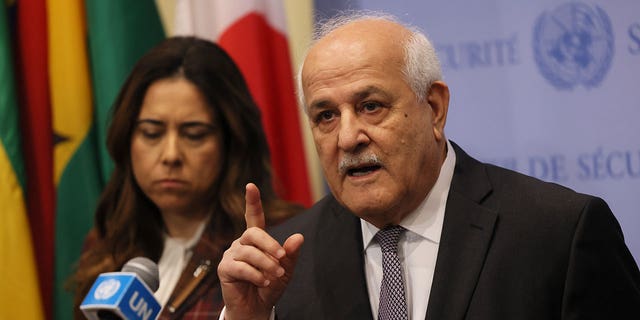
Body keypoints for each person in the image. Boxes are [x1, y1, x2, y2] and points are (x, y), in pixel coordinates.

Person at [217, 11, 640, 320]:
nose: (347, 137)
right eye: (326, 115)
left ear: (434, 108)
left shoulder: (559, 233)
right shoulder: (281, 264)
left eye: (370, 106)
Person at [71, 36, 302, 319]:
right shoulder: (107, 246)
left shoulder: (276, 245)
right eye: (151, 132)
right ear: (127, 138)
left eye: (194, 134)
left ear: (231, 143)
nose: (170, 155)